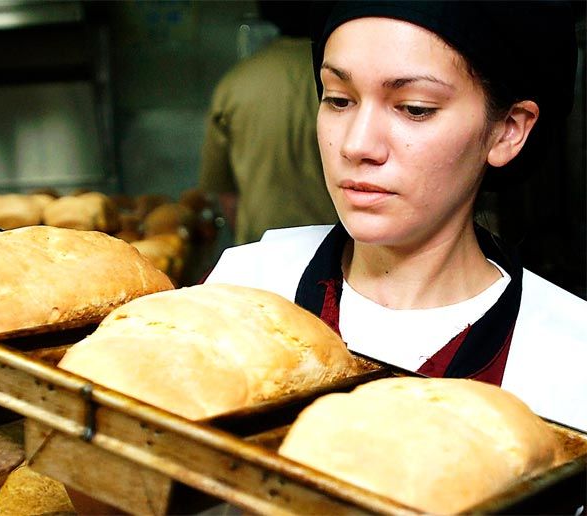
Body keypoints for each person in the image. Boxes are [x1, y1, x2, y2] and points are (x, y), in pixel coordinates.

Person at [205, 1, 587, 433]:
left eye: (415, 108)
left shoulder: (570, 362)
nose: (357, 145)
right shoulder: (243, 286)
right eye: (338, 99)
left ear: (508, 130)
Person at [198, 1, 338, 245]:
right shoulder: (342, 80)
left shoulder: (236, 83)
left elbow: (223, 189)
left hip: (260, 248)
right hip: (337, 251)